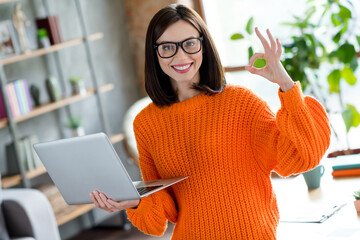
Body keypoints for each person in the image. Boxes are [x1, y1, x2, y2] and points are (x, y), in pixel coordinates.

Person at [90, 4, 331, 239]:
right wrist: (133, 201)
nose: (181, 55)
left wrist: (285, 83)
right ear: (154, 53)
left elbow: (301, 156)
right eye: (167, 47)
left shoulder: (240, 102)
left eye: (190, 44)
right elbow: (162, 210)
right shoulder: (146, 123)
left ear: (204, 46)